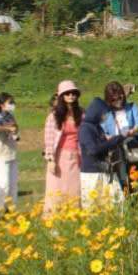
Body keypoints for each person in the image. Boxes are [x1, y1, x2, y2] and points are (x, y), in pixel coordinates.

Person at [100, 81, 138, 195]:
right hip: (115, 149)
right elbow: (101, 131)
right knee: (119, 179)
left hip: (133, 146)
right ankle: (124, 205)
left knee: (137, 178)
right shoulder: (105, 113)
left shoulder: (132, 107)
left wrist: (133, 131)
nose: (118, 101)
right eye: (114, 99)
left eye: (120, 97)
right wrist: (108, 137)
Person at [43, 81, 84, 217]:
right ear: (61, 96)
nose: (71, 95)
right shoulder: (54, 116)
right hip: (59, 156)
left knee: (74, 188)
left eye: (73, 93)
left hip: (76, 157)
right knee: (56, 188)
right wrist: (50, 159)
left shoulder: (82, 114)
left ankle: (73, 218)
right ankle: (54, 221)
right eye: (67, 93)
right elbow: (49, 139)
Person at [79, 97, 125, 210]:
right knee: (92, 207)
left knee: (118, 201)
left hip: (105, 170)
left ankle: (118, 225)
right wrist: (113, 141)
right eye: (104, 114)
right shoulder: (85, 129)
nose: (105, 117)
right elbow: (93, 149)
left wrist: (112, 140)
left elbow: (102, 144)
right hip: (92, 173)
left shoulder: (97, 127)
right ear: (96, 113)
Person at [0, 93, 20, 213]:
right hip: (1, 154)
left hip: (11, 152)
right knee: (3, 182)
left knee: (13, 184)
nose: (12, 105)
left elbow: (15, 127)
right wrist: (8, 129)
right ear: (1, 105)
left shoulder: (10, 115)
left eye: (13, 102)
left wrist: (15, 130)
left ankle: (11, 210)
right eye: (9, 103)